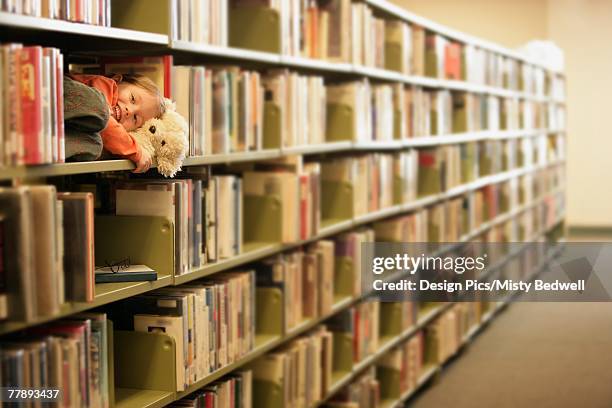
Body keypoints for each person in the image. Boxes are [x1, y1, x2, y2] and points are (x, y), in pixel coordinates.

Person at [68, 73, 166, 173]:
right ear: (118, 80)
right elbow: (108, 128)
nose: (130, 111)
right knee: (101, 108)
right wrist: (136, 152)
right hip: (59, 92)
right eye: (132, 98)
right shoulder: (105, 84)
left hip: (63, 128)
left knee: (95, 146)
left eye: (135, 118)